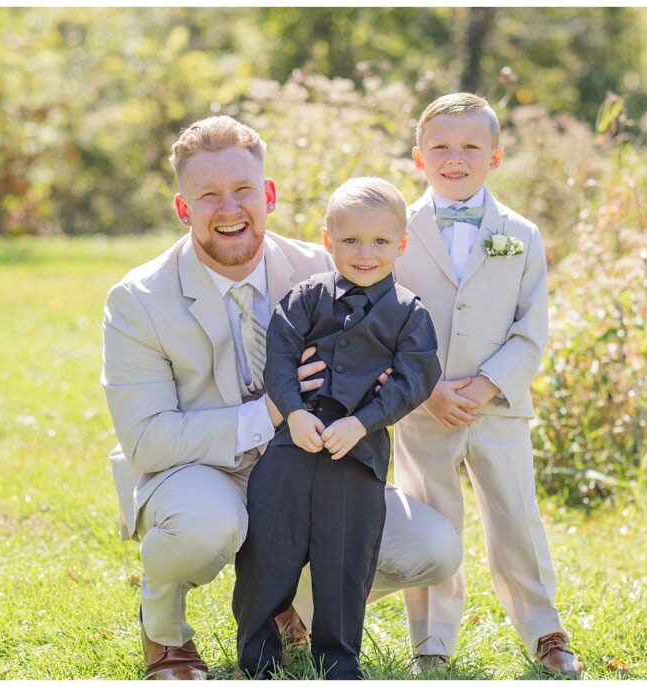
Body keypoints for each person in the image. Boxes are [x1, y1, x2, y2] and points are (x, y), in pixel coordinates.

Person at [101, 115, 462, 680]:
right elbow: (147, 441)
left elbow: (397, 350)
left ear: (267, 195)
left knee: (432, 548)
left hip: (314, 464)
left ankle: (290, 606)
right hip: (202, 471)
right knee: (205, 526)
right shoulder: (138, 299)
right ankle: (165, 634)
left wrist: (388, 395)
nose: (230, 209)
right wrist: (270, 412)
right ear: (182, 208)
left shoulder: (325, 266)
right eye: (209, 196)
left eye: (243, 190)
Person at [392, 93, 584, 677]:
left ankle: (544, 627)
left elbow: (532, 328)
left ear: (494, 157)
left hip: (497, 405)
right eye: (441, 147)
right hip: (424, 405)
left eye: (471, 147)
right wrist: (425, 389)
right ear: (419, 158)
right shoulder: (395, 231)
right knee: (432, 516)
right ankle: (432, 639)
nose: (456, 158)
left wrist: (489, 384)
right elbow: (381, 314)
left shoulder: (519, 234)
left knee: (516, 516)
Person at [233, 178, 441, 679]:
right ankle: (258, 657)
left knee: (347, 558)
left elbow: (416, 379)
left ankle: (339, 660)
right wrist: (294, 411)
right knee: (268, 549)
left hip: (358, 454)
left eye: (379, 242)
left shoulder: (410, 314)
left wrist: (363, 421)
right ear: (328, 240)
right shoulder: (304, 298)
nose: (364, 253)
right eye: (350, 240)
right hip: (291, 445)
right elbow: (279, 356)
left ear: (401, 245)